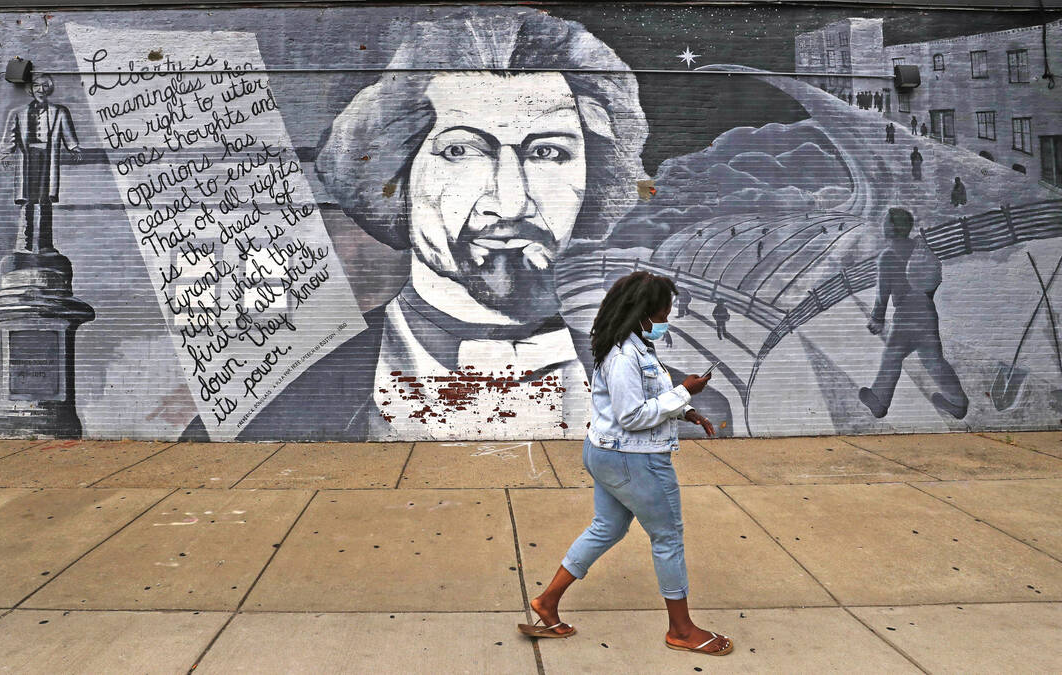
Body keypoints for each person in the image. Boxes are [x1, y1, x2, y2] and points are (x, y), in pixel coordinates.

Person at [179, 8, 731, 441]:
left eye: (547, 153)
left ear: (593, 179)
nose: (511, 203)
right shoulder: (270, 412)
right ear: (394, 174)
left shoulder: (694, 411)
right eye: (462, 151)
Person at [518, 271, 732, 657]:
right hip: (634, 459)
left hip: (609, 454)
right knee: (667, 538)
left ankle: (546, 602)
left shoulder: (632, 347)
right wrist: (685, 390)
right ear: (643, 313)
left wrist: (686, 410)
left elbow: (647, 399)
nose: (667, 320)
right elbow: (632, 415)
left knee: (607, 527)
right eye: (663, 313)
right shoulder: (623, 356)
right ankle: (681, 630)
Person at [859, 208, 968, 419]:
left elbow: (883, 291)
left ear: (893, 226)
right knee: (934, 360)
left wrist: (877, 318)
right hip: (927, 310)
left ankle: (879, 401)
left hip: (907, 314)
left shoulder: (888, 256)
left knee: (892, 356)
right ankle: (957, 402)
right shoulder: (919, 249)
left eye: (886, 221)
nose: (883, 225)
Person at [0, 74, 81, 253]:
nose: (41, 90)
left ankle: (45, 244)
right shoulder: (18, 113)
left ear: (50, 89)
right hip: (28, 159)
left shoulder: (59, 111)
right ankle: (25, 243)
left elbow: (67, 133)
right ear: (31, 89)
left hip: (47, 158)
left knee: (45, 200)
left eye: (45, 86)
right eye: (36, 86)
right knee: (27, 201)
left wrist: (73, 147)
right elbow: (10, 136)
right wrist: (5, 153)